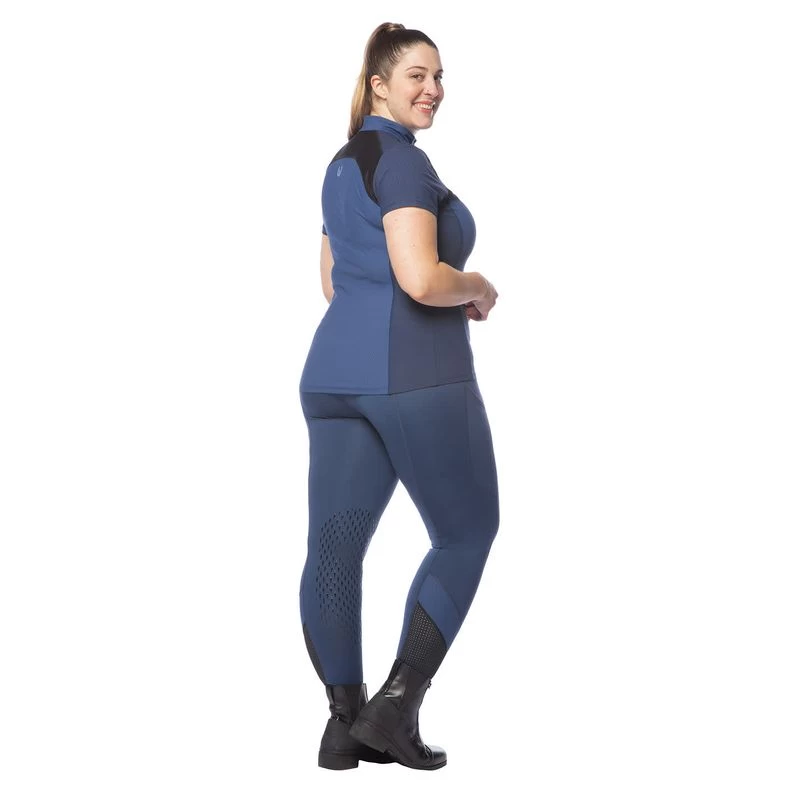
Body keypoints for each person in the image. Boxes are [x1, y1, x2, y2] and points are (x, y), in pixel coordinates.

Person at [298, 21, 500, 771]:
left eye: (439, 76)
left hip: (333, 376)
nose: (434, 89)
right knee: (467, 531)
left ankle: (343, 723)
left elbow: (332, 281)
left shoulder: (341, 165)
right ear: (379, 85)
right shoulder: (405, 163)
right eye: (418, 75)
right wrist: (475, 286)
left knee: (335, 548)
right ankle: (396, 706)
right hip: (415, 373)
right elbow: (420, 278)